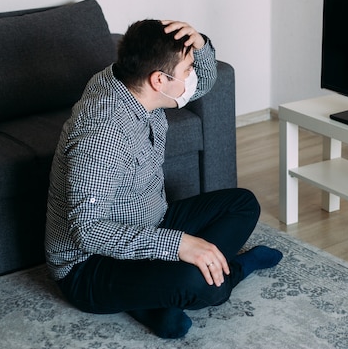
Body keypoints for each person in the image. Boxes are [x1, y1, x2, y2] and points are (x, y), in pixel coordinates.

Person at [45, 19, 282, 339]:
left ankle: (150, 298)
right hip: (89, 266)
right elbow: (87, 231)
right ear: (159, 79)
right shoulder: (103, 135)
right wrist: (178, 244)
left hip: (149, 220)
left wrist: (200, 46)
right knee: (205, 287)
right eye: (187, 70)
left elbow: (204, 84)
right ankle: (233, 270)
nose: (192, 76)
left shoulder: (127, 80)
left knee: (243, 204)